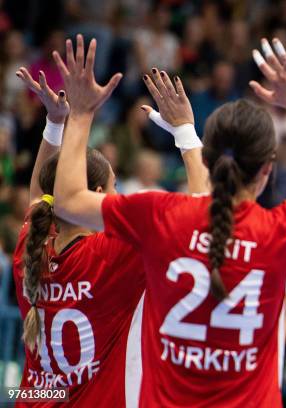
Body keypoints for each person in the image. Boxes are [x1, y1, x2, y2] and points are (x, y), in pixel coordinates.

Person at [52, 36, 286, 407]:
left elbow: (68, 199)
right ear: (266, 170)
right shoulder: (281, 229)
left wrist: (81, 113)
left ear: (209, 160)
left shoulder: (161, 215)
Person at [12, 52, 206, 406]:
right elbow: (202, 213)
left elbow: (40, 197)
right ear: (96, 196)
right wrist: (186, 133)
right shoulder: (114, 255)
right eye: (115, 187)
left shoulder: (32, 247)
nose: (120, 195)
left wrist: (55, 124)